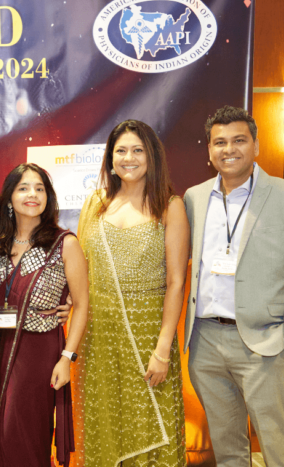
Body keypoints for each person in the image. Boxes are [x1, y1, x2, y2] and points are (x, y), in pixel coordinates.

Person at [183, 106, 284, 467]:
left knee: (278, 450)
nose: (229, 149)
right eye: (220, 142)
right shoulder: (194, 198)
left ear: (256, 145)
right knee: (228, 450)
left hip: (266, 344)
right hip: (205, 342)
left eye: (239, 140)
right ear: (209, 149)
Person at [75, 120, 189, 467]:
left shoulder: (170, 206)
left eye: (138, 150)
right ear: (110, 159)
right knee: (104, 424)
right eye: (121, 150)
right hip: (99, 337)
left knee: (149, 423)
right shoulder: (94, 204)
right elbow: (81, 270)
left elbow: (176, 282)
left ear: (152, 157)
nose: (129, 158)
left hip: (148, 336)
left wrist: (163, 349)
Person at [0, 164, 89, 467]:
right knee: (0, 432)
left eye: (39, 188)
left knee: (26, 430)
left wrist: (67, 358)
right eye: (23, 188)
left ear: (48, 197)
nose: (32, 194)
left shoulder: (64, 243)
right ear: (9, 197)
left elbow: (82, 303)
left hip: (39, 351)